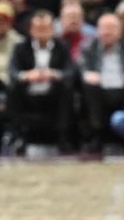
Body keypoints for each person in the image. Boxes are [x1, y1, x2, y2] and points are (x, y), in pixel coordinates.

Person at [7, 10, 75, 152]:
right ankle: (17, 137)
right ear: (31, 30)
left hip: (53, 94)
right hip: (28, 94)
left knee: (67, 89)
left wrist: (54, 74)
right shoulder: (20, 47)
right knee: (13, 89)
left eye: (46, 29)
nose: (42, 32)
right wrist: (27, 76)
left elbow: (70, 72)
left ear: (53, 30)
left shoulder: (63, 47)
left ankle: (64, 138)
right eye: (38, 29)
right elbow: (13, 73)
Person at [80, 13, 124, 151]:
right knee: (89, 85)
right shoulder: (88, 47)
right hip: (99, 88)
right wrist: (87, 75)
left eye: (112, 28)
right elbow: (82, 68)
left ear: (120, 31)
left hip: (123, 88)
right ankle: (96, 134)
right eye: (104, 28)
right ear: (97, 30)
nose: (108, 32)